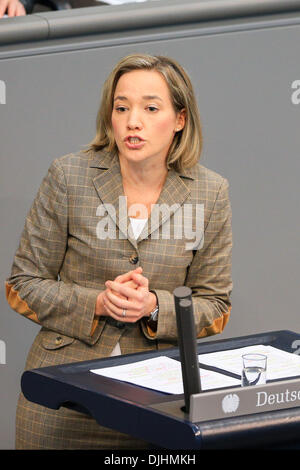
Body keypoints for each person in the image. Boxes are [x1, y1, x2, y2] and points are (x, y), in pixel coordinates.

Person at [6, 53, 233, 449]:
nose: (133, 121)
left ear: (180, 119)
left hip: (159, 401)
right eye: (121, 107)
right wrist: (96, 302)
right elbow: (22, 285)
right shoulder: (69, 175)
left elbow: (216, 306)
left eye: (150, 107)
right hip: (62, 398)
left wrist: (154, 307)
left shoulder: (210, 192)